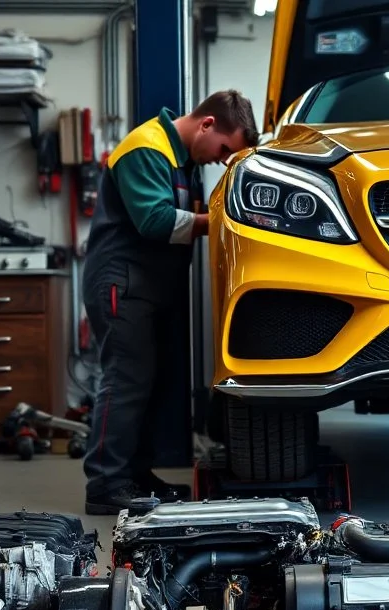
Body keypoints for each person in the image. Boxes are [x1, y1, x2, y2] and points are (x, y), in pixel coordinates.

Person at [81, 90, 259, 514]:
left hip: (149, 286)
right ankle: (105, 483)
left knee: (148, 384)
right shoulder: (145, 148)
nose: (221, 159)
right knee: (125, 380)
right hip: (121, 283)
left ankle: (135, 475)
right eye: (224, 150)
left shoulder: (186, 161)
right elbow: (154, 220)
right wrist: (228, 219)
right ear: (208, 125)